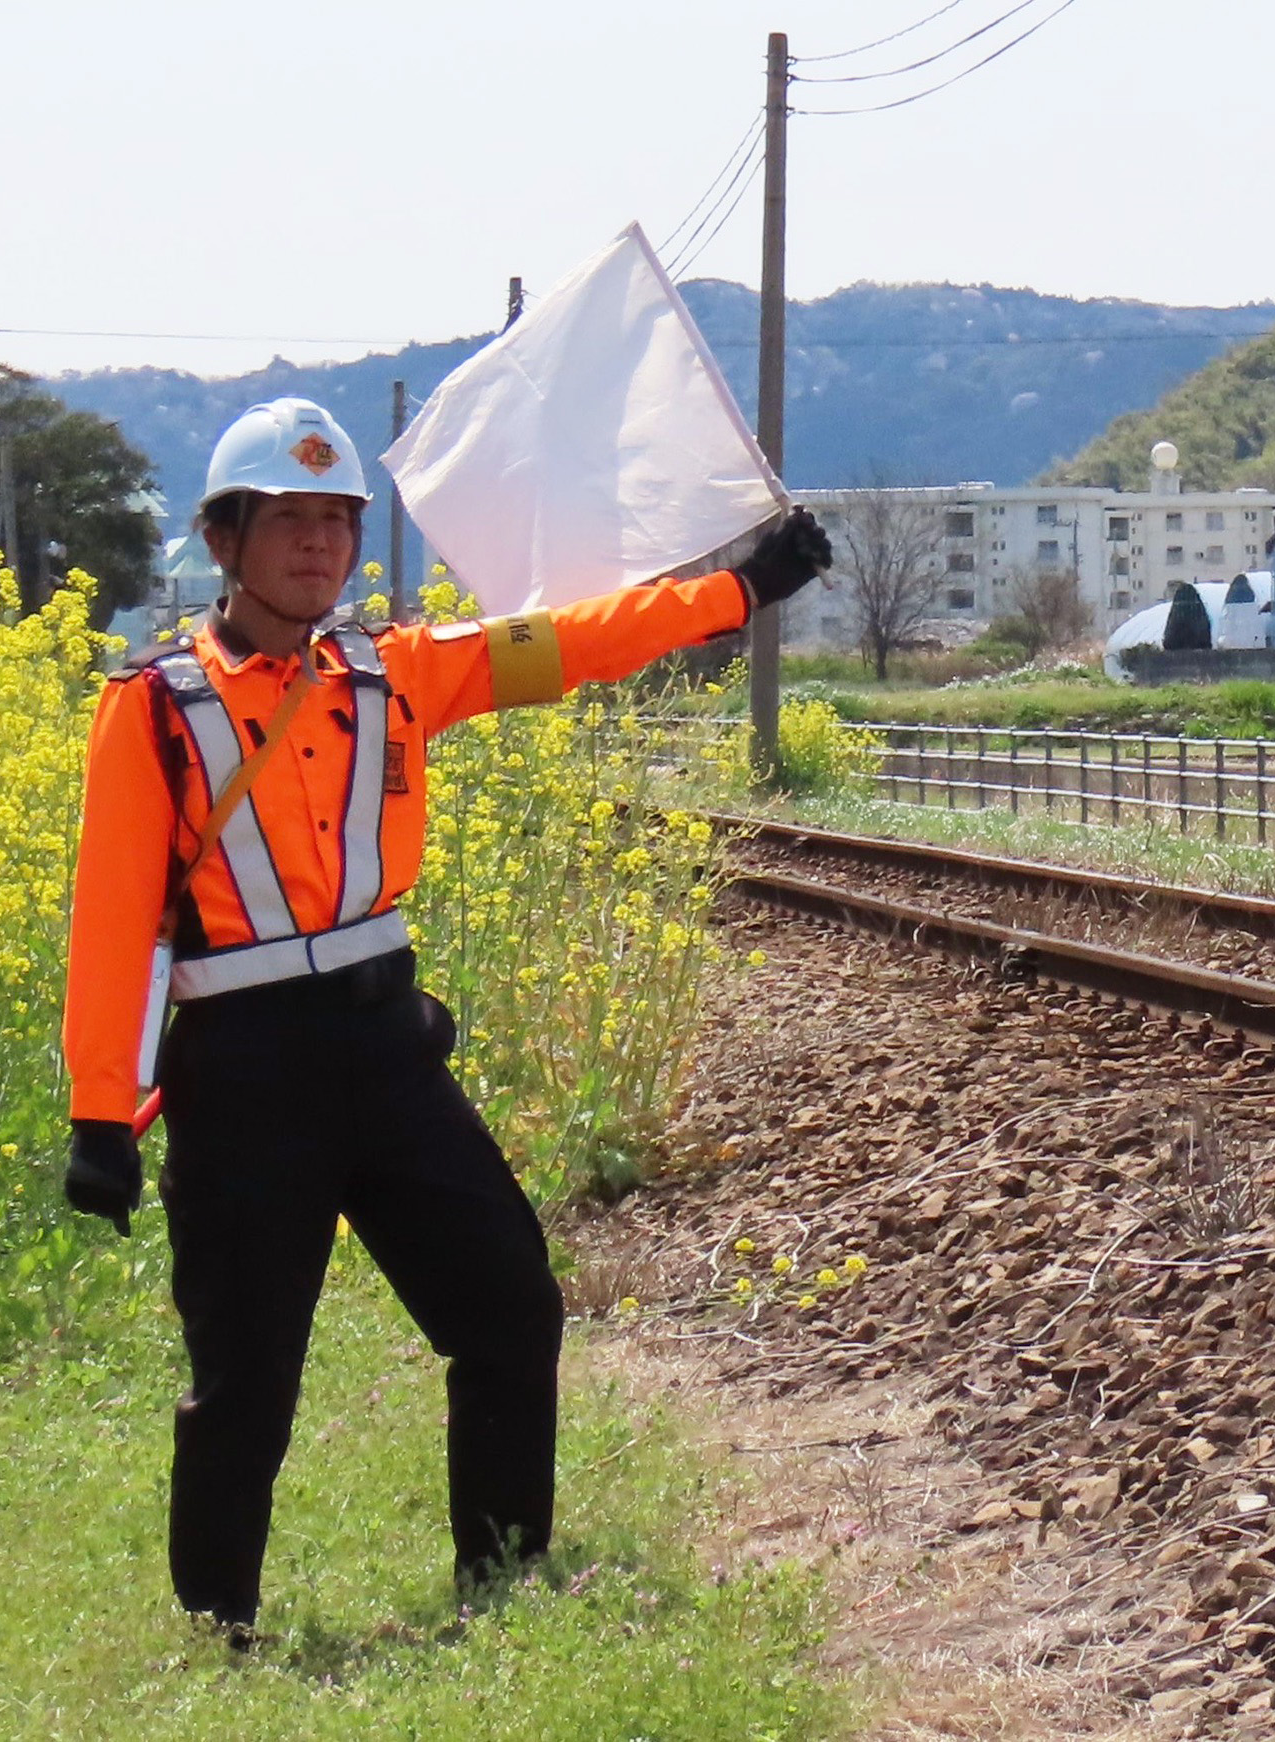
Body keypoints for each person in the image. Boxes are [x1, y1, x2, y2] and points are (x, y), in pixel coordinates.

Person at [59, 397, 827, 1637]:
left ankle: (508, 1586)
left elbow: (571, 643)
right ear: (228, 537)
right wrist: (103, 1108)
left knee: (511, 1306)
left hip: (387, 1054)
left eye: (337, 520)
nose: (318, 544)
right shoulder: (153, 708)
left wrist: (734, 593)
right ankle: (219, 1625)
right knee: (247, 1375)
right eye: (289, 519)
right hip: (244, 1073)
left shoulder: (398, 671)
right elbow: (110, 919)